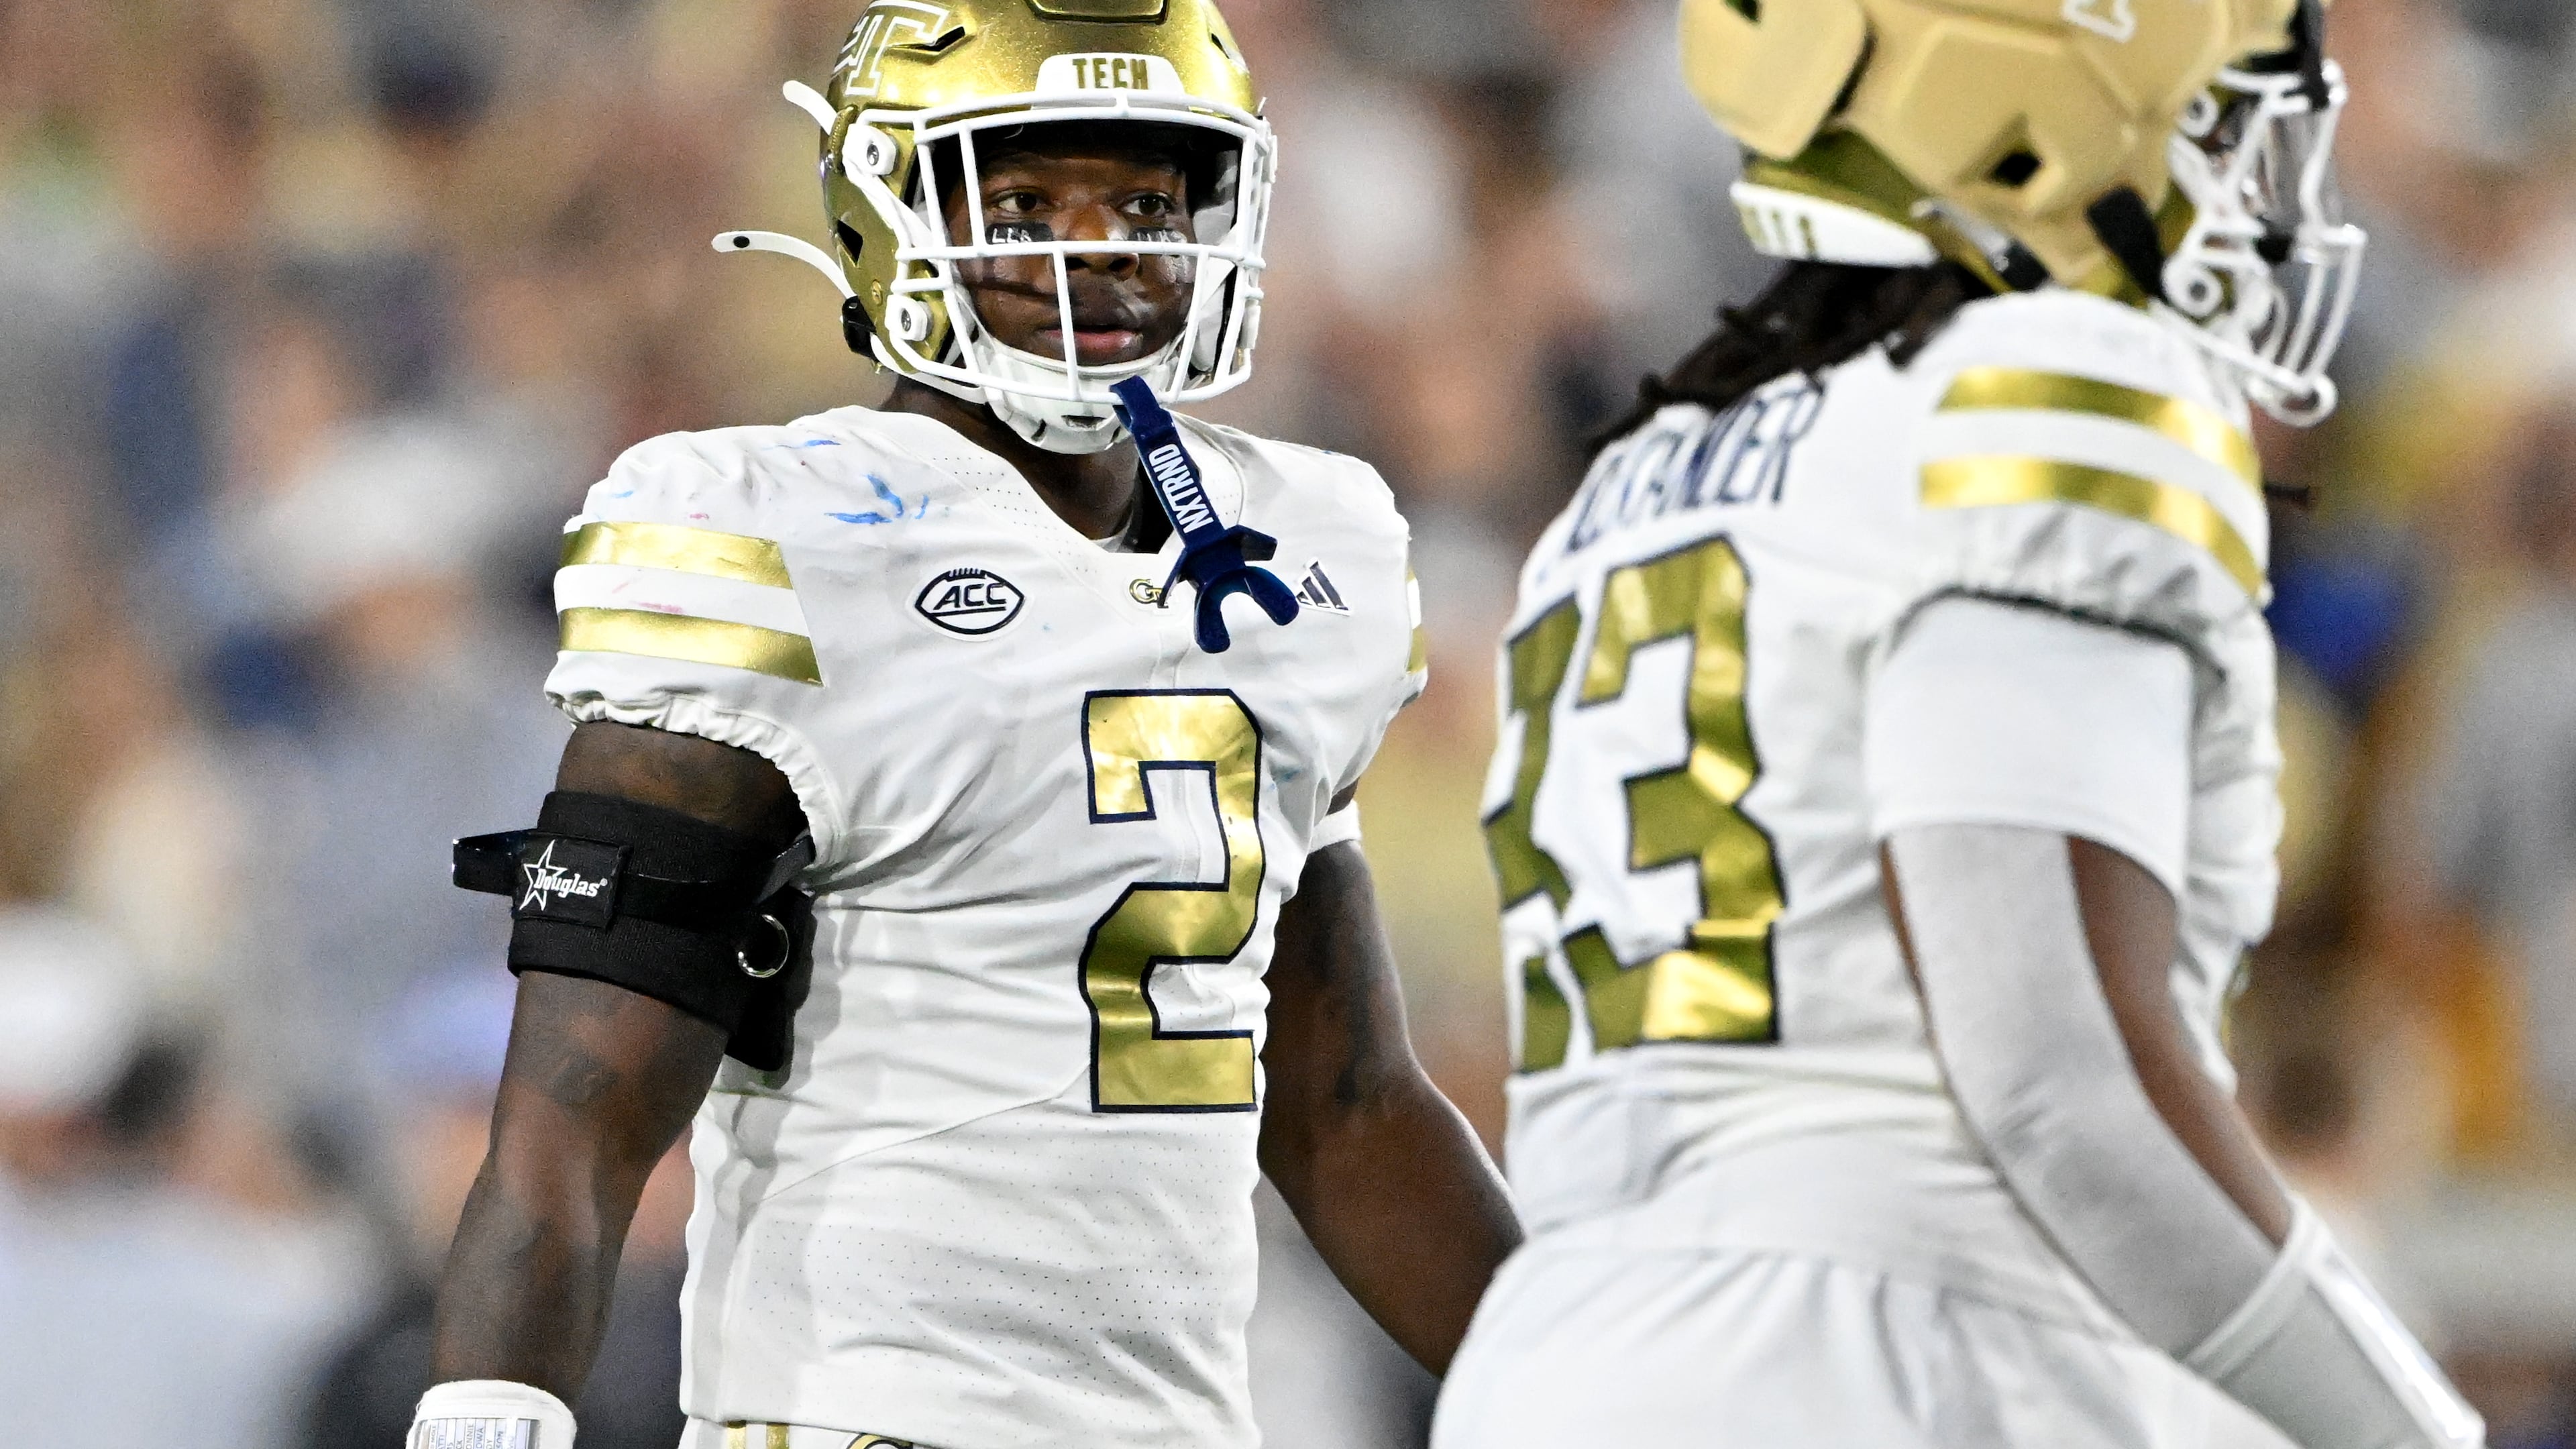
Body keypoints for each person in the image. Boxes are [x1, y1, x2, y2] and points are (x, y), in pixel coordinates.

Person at [409, 3, 1521, 1447]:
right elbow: (577, 1111)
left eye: (1141, 199)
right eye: (1025, 200)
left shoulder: (1307, 546)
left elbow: (1346, 1105)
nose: (1097, 247)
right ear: (891, 213)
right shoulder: (771, 532)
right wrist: (493, 1408)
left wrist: (1598, 1385)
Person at [1432, 1, 2482, 1448]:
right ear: (2026, 114)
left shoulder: (1636, 481)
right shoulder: (2048, 396)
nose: (2240, 188)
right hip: (1895, 1354)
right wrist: (2414, 1429)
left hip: (1553, 1367)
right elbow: (2056, 1086)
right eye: (2207, 120)